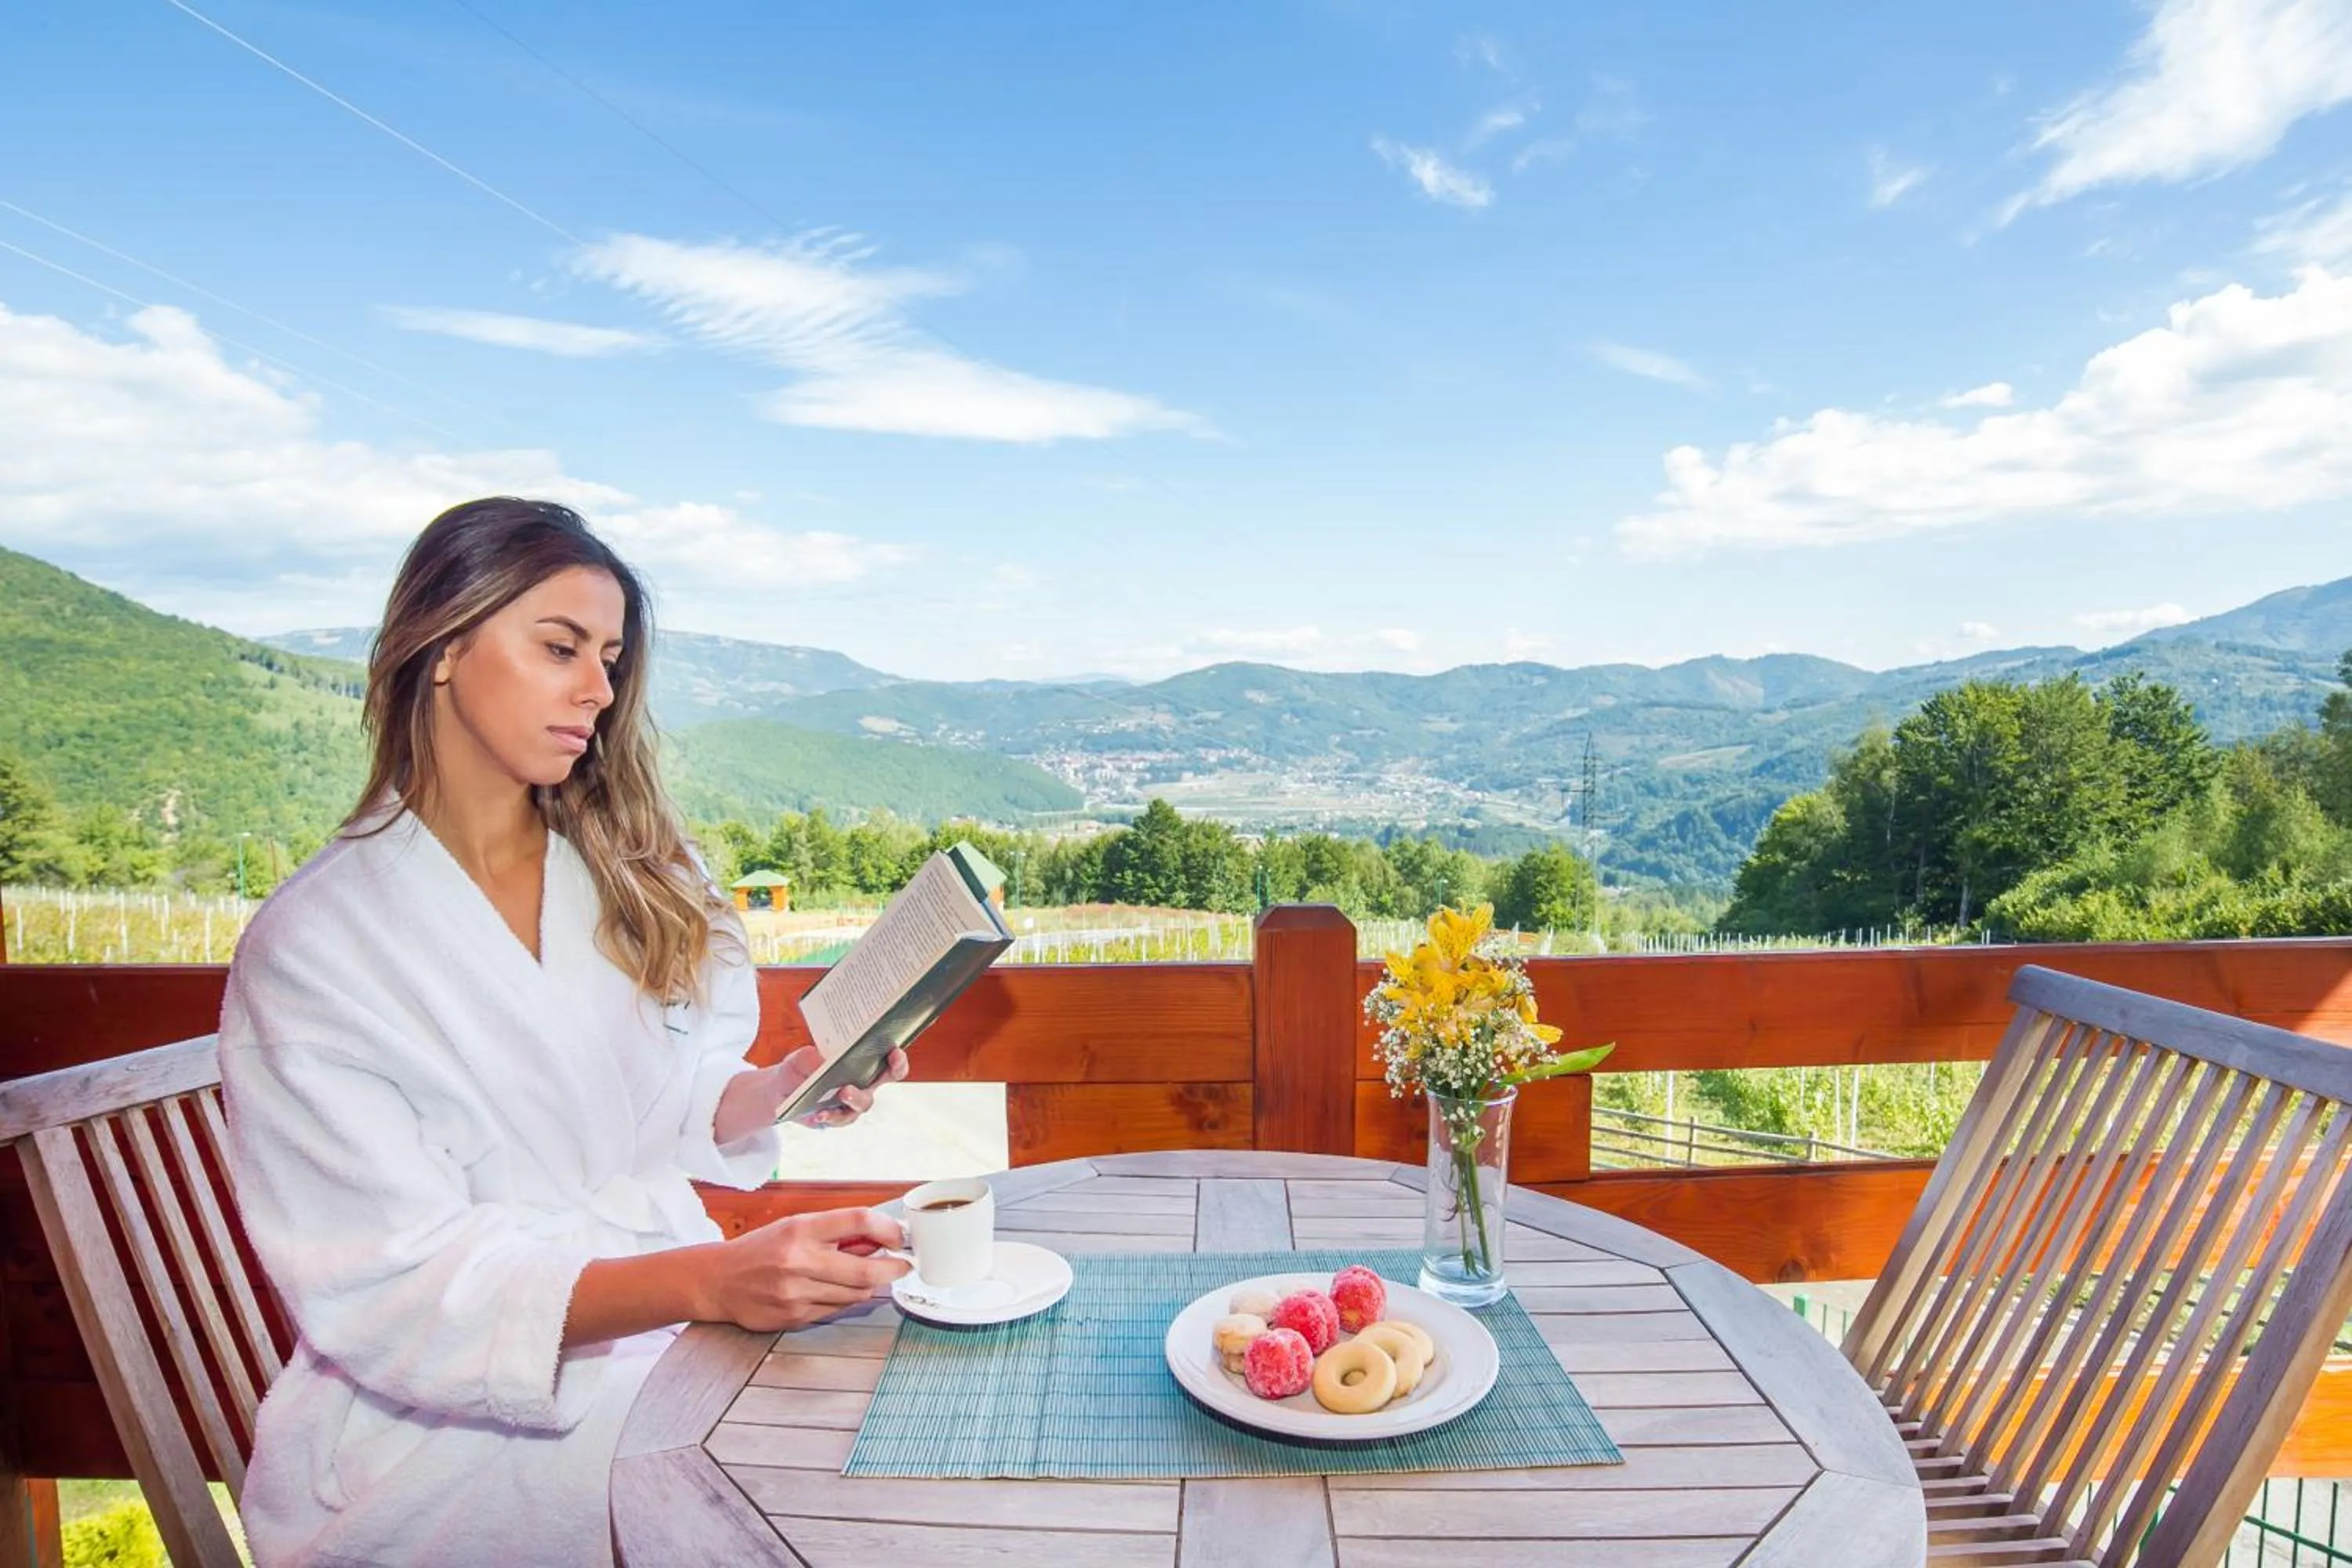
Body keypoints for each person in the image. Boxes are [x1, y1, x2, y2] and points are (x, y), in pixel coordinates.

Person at [219, 497, 911, 1566]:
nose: (599, 689)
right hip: (447, 1428)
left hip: (662, 1330)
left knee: (882, 1403)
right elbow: (400, 1287)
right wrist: (708, 1280)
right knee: (823, 1474)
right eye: (560, 648)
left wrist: (780, 1087)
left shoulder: (630, 872)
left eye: (610, 659)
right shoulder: (318, 946)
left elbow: (667, 1097)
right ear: (444, 646)